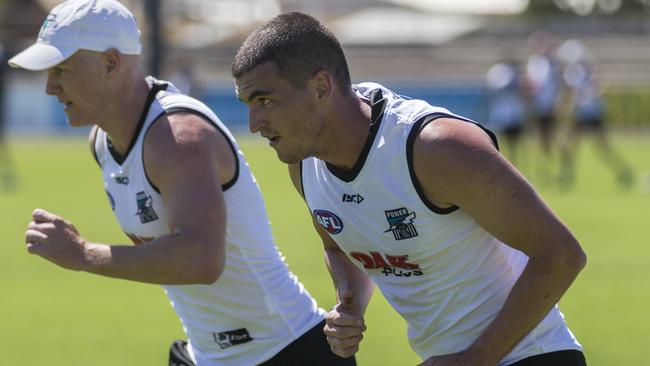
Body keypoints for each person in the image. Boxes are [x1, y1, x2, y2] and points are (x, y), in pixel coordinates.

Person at [232, 12, 587, 366]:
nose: (254, 123)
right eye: (247, 105)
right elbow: (337, 244)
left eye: (265, 101)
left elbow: (560, 254)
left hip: (535, 356)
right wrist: (349, 301)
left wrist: (477, 357)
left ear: (321, 87)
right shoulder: (304, 162)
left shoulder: (436, 147)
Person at [12, 1, 354, 365]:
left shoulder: (178, 137)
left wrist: (83, 254)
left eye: (62, 69)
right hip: (208, 356)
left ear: (111, 63)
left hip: (288, 352)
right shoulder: (102, 141)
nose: (50, 87)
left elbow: (201, 260)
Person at [557, 40, 633, 188]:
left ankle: (566, 178)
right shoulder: (586, 70)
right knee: (599, 147)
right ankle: (623, 172)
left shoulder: (574, 71)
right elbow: (598, 87)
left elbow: (572, 92)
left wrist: (564, 108)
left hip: (584, 115)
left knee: (567, 145)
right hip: (592, 114)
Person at [484, 53, 528, 166]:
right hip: (502, 114)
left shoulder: (515, 74)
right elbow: (494, 90)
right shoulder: (498, 72)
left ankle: (514, 165)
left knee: (515, 144)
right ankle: (504, 165)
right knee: (500, 143)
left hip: (514, 114)